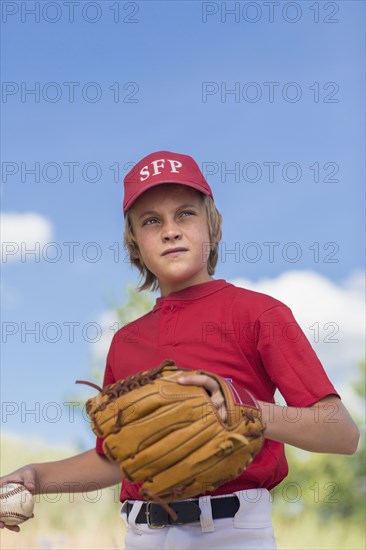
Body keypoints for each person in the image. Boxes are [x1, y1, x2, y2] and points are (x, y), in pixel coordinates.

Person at [0, 151, 359, 550]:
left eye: (185, 214)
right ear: (134, 241)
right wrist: (35, 476)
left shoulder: (260, 313)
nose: (170, 231)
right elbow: (118, 458)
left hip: (231, 533)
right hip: (141, 535)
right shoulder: (126, 341)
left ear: (214, 226)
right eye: (151, 221)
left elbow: (341, 433)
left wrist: (248, 410)